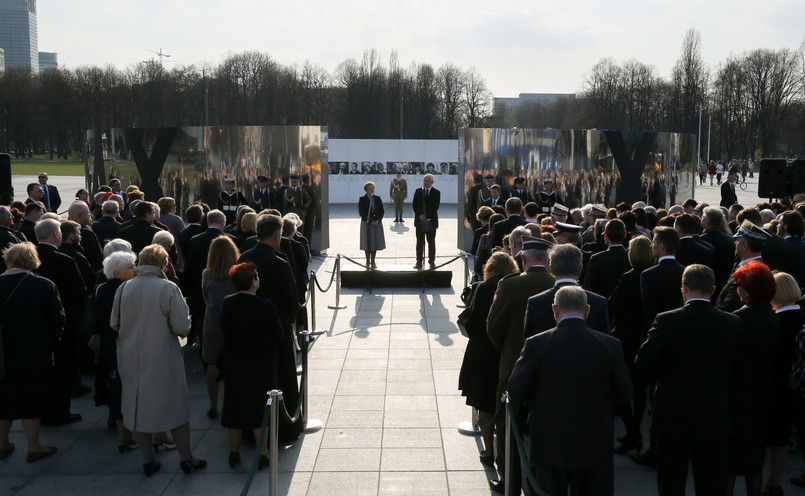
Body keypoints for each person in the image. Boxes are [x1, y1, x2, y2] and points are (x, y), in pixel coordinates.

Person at [508, 286, 632, 496]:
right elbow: (624, 393)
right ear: (587, 311)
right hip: (595, 443)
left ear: (554, 310)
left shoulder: (536, 344)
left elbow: (515, 389)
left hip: (549, 443)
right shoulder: (610, 345)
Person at [635, 264, 742, 495]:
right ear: (713, 289)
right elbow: (738, 370)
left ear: (683, 287)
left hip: (673, 415)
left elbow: (643, 362)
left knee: (671, 482)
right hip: (715, 414)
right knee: (712, 483)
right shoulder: (732, 323)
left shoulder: (666, 321)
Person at [111, 244, 205, 476]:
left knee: (137, 408)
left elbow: (115, 323)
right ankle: (186, 458)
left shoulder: (123, 288)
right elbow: (182, 327)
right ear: (164, 263)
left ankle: (147, 460)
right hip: (163, 357)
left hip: (130, 357)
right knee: (175, 408)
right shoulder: (168, 288)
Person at [485, 238, 554, 493]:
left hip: (513, 366)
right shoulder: (558, 285)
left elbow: (493, 327)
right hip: (549, 371)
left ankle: (509, 483)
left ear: (522, 260)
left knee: (508, 430)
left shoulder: (510, 285)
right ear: (547, 261)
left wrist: (507, 349)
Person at [0, 243, 64, 463]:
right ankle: (34, 446)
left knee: (5, 396)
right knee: (32, 397)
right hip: (35, 349)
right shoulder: (43, 285)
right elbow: (58, 319)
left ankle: (2, 444)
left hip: (3, 351)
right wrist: (51, 343)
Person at [218, 262, 284, 469]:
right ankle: (262, 451)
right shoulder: (266, 306)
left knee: (234, 404)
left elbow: (224, 328)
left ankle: (234, 450)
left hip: (234, 360)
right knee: (259, 408)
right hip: (260, 362)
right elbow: (278, 335)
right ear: (254, 281)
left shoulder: (227, 302)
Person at [459, 252, 518, 470]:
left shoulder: (483, 288)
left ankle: (489, 450)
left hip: (482, 352)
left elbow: (473, 320)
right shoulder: (512, 288)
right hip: (504, 352)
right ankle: (506, 448)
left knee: (483, 402)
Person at [728, 260, 780, 496]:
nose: (736, 289)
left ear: (747, 291)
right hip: (763, 393)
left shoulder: (735, 320)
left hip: (734, 394)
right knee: (754, 458)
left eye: (738, 285)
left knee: (728, 458)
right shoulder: (773, 318)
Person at [608, 235, 654, 455]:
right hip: (648, 335)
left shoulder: (629, 277)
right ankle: (635, 431)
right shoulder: (654, 275)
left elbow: (612, 304)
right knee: (642, 388)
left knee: (624, 387)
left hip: (628, 337)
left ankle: (633, 432)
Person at [765, 272, 803, 494]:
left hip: (779, 387)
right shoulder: (800, 316)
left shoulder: (777, 321)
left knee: (777, 439)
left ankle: (773, 483)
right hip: (795, 386)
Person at [201, 236, 240, 420]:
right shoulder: (239, 273)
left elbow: (205, 297)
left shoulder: (207, 274)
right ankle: (234, 403)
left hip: (213, 321)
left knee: (212, 363)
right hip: (235, 320)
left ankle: (212, 405)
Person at [412, 174, 440, 270]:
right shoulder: (418, 191)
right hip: (419, 221)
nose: (425, 182)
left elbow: (435, 207)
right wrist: (420, 215)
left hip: (431, 221)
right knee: (419, 242)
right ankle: (419, 261)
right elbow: (415, 205)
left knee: (431, 242)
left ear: (432, 182)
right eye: (424, 180)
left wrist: (426, 216)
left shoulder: (436, 192)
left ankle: (432, 261)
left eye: (427, 181)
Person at [358, 181, 386, 269]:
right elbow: (361, 212)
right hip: (366, 223)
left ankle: (373, 261)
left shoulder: (377, 198)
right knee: (367, 242)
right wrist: (370, 221)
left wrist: (378, 220)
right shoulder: (362, 199)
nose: (371, 190)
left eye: (373, 188)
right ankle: (367, 261)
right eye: (370, 188)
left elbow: (381, 211)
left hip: (376, 223)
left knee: (374, 242)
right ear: (366, 189)